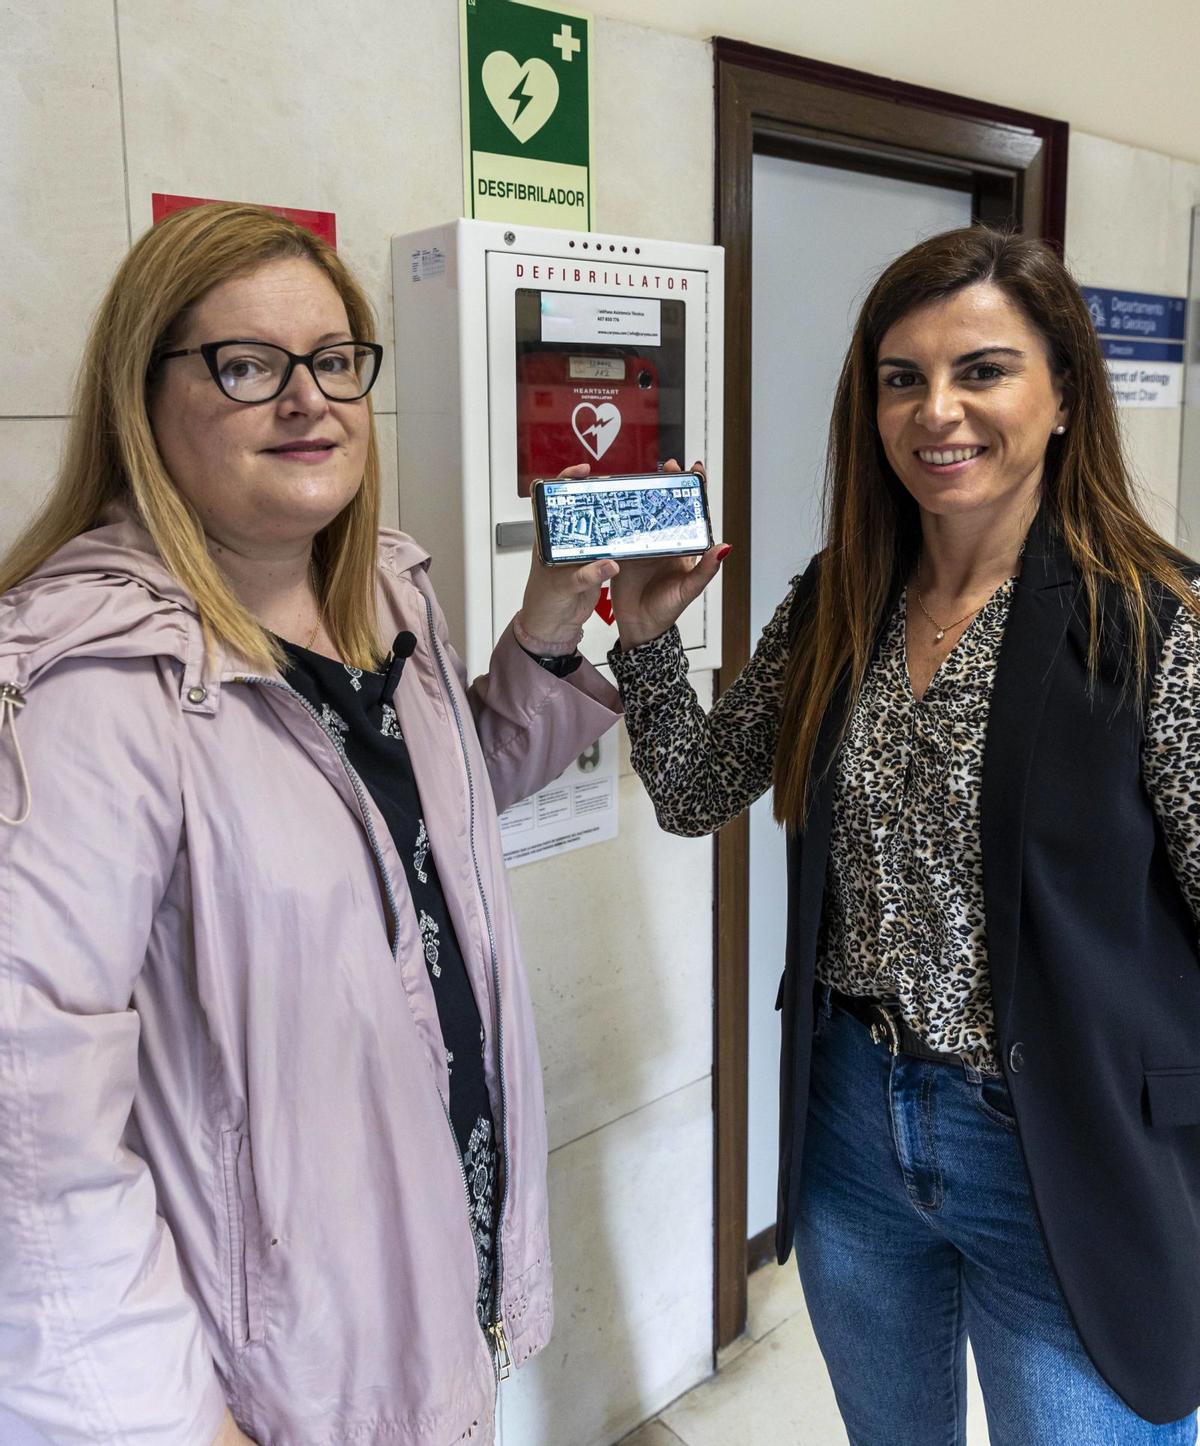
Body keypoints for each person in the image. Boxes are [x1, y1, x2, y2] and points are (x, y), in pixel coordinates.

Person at [0, 202, 622, 1446]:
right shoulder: (93, 686)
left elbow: (418, 827)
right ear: (143, 397)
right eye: (247, 365)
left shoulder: (387, 591)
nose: (310, 400)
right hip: (268, 1383)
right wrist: (170, 1425)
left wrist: (553, 621)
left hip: (426, 1279)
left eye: (335, 360)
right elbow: (30, 1122)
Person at [608, 226, 1200, 1443]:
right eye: (902, 378)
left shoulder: (1152, 624)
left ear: (1064, 398)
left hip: (1065, 1150)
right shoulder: (841, 598)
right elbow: (691, 789)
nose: (939, 411)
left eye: (982, 370)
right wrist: (649, 637)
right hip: (854, 1129)